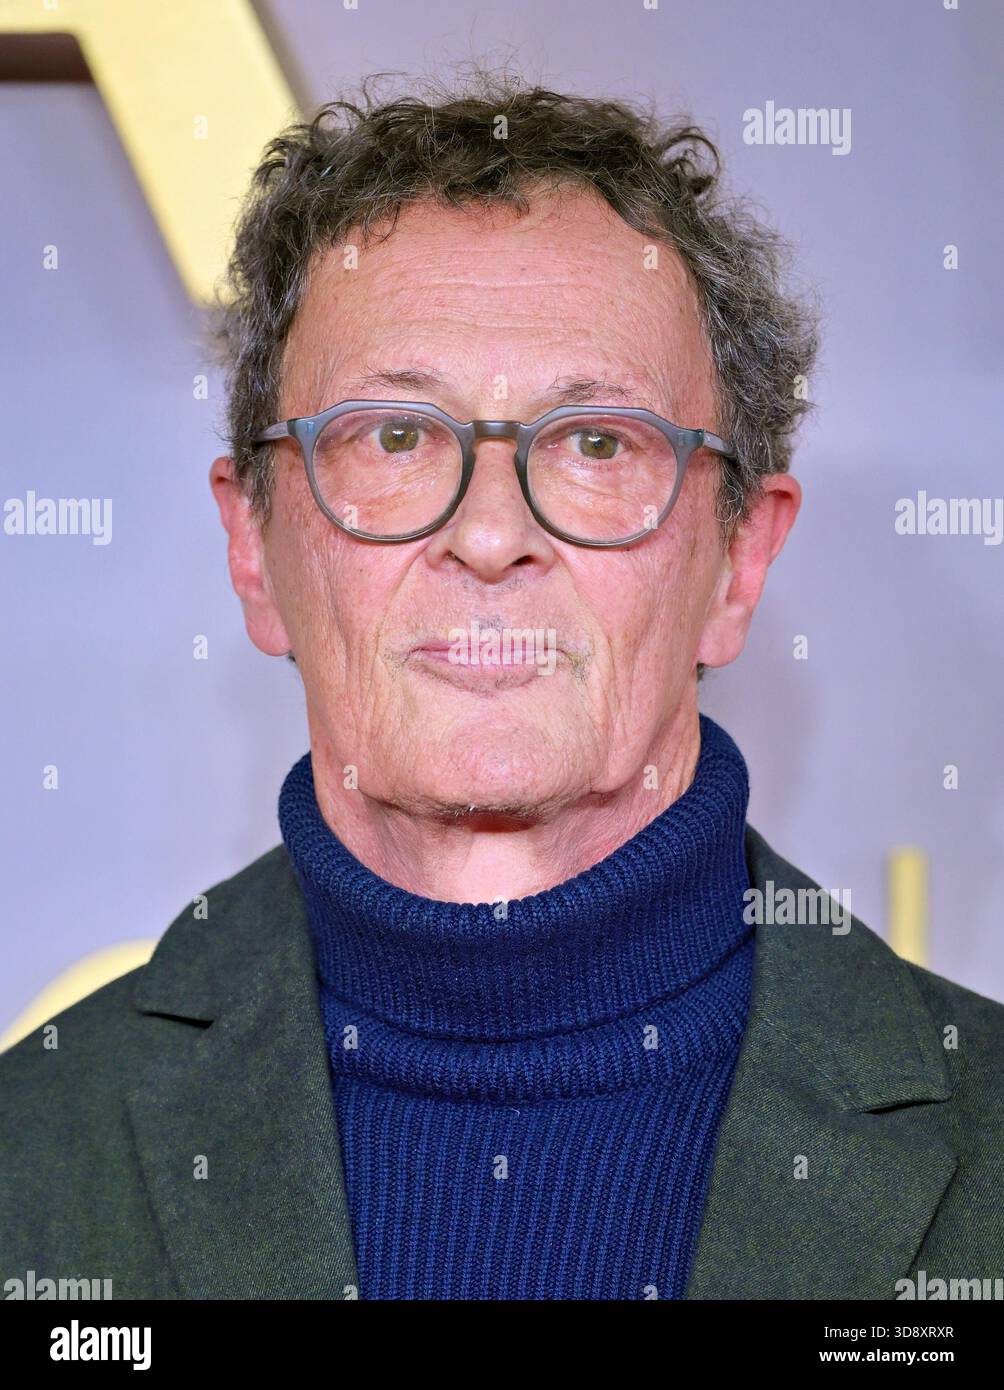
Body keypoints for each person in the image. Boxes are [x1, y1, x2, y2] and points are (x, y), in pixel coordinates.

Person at [3, 79, 1002, 1302]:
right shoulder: (29, 1159)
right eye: (392, 436)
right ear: (253, 549)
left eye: (593, 444)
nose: (486, 534)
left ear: (738, 559)